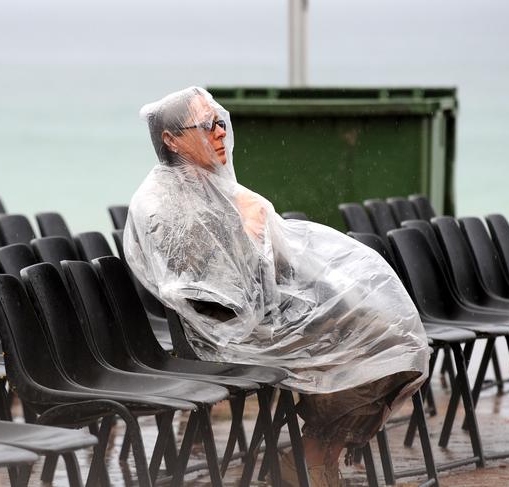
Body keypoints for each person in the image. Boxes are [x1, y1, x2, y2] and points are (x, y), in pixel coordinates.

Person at [124, 87, 430, 486]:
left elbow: (284, 265)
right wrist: (249, 232)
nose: (220, 133)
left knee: (388, 331)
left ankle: (316, 450)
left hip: (263, 317)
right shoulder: (159, 204)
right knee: (374, 340)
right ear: (172, 139)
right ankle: (312, 455)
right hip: (216, 337)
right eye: (207, 125)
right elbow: (205, 294)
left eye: (220, 122)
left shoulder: (219, 188)